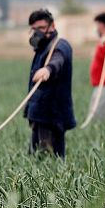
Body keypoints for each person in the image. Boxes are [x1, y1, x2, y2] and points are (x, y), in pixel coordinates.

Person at [24, 8, 76, 159]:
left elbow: (57, 60)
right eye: (34, 29)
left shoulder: (60, 45)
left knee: (48, 159)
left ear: (52, 26)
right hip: (39, 113)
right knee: (36, 157)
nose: (37, 32)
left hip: (52, 116)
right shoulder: (42, 47)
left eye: (41, 28)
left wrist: (48, 70)